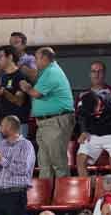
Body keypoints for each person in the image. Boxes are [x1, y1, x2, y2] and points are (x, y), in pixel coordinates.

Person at [22, 48, 74, 180]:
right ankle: (45, 197)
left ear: (45, 58)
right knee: (45, 164)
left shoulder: (51, 72)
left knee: (58, 163)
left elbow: (36, 93)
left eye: (37, 58)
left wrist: (25, 86)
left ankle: (64, 197)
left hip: (55, 122)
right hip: (46, 123)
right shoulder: (47, 72)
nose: (35, 61)